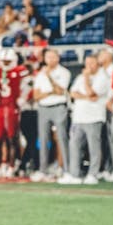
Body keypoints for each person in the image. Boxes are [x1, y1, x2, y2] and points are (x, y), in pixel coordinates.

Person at [61, 54, 110, 184]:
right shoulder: (80, 77)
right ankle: (74, 174)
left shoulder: (102, 77)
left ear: (98, 64)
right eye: (87, 63)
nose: (88, 66)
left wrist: (87, 79)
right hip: (78, 117)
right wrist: (86, 97)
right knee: (74, 145)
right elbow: (72, 93)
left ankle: (93, 174)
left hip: (94, 117)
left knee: (94, 148)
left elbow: (91, 93)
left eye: (91, 63)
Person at [31, 49, 71, 181]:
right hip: (43, 108)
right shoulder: (40, 74)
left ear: (58, 58)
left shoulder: (64, 72)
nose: (50, 59)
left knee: (62, 138)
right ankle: (43, 169)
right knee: (43, 139)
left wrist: (49, 78)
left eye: (53, 57)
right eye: (48, 57)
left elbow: (61, 91)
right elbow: (36, 95)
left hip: (58, 106)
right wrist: (50, 92)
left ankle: (66, 169)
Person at [0, 48, 29, 178]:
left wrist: (23, 98)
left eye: (8, 61)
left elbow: (27, 86)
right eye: (4, 61)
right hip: (0, 108)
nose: (6, 64)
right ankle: (0, 165)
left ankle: (12, 165)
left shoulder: (19, 71)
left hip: (12, 107)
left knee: (12, 138)